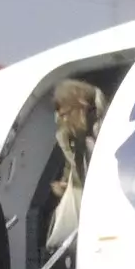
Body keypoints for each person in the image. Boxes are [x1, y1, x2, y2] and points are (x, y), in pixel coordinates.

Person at [45, 79, 106, 249]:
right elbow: (72, 169)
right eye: (60, 115)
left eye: (67, 113)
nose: (63, 120)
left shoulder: (106, 127)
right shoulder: (70, 138)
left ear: (81, 104)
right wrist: (65, 184)